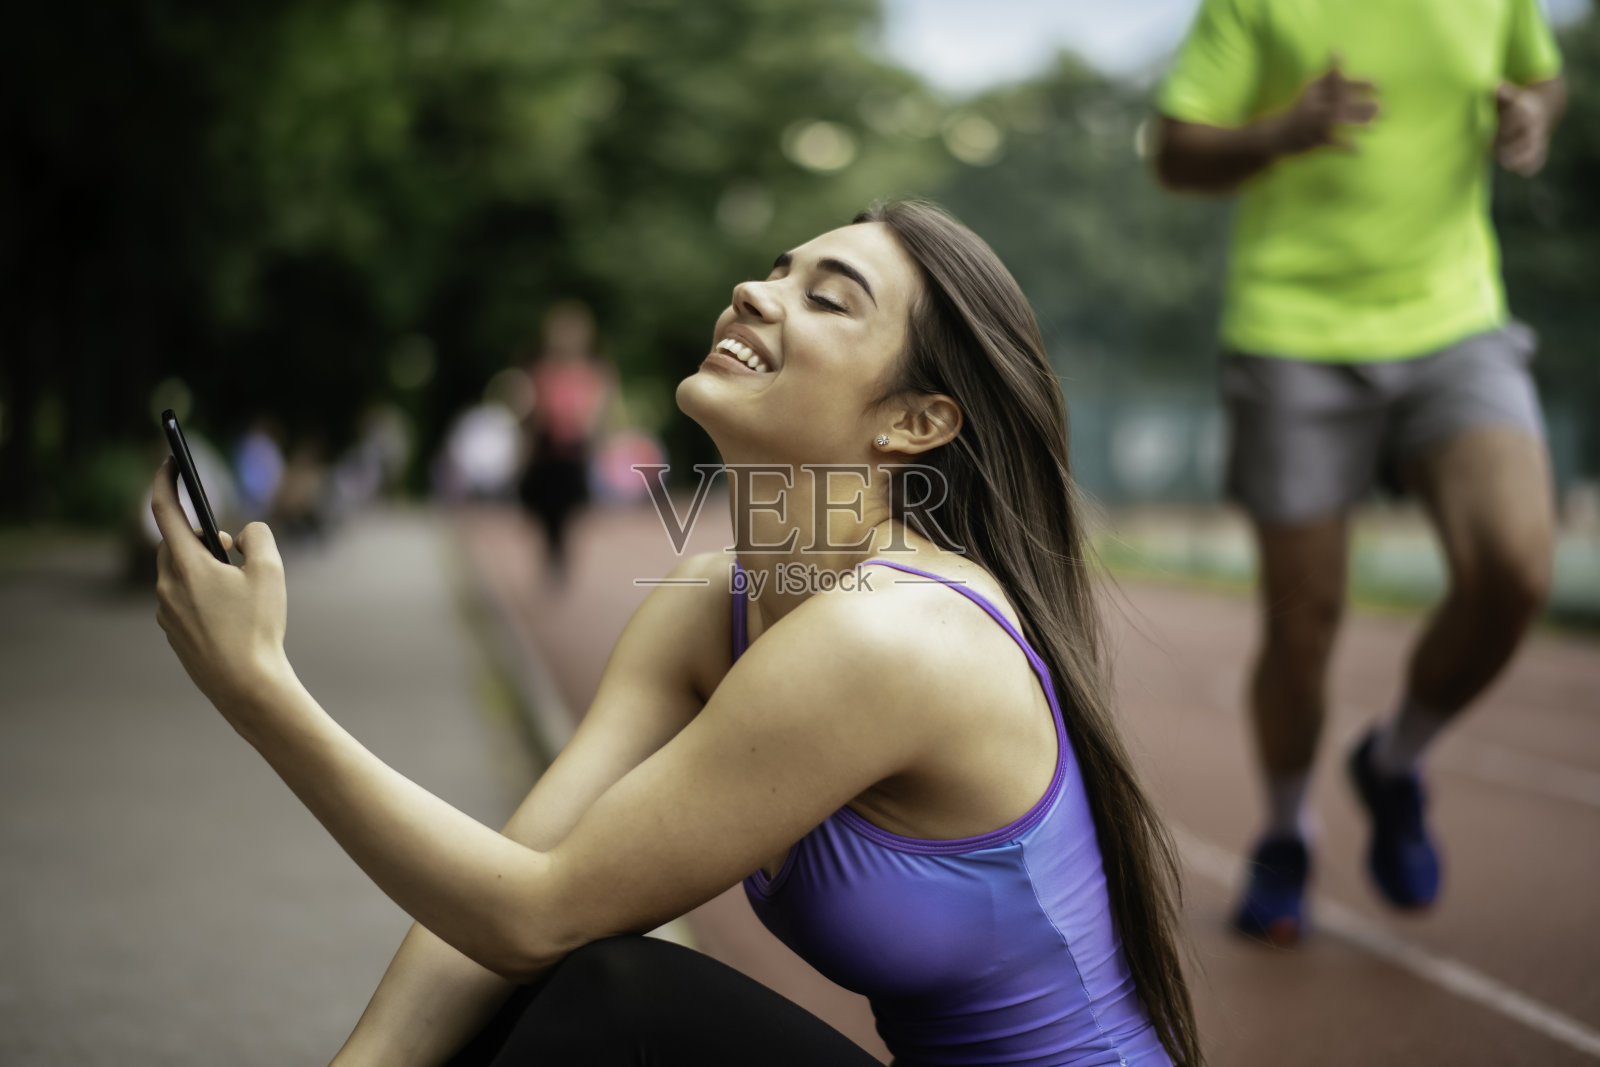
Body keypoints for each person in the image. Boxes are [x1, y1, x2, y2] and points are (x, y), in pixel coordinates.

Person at [150, 200, 1202, 1066]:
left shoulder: (894, 635)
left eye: (826, 297)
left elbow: (535, 915)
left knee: (612, 997)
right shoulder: (711, 603)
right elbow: (521, 875)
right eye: (777, 268)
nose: (756, 289)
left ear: (914, 423)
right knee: (537, 993)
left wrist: (261, 690)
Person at [1152, 0, 1565, 944]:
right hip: (1293, 333)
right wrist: (1281, 133)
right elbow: (1175, 153)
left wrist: (1535, 113)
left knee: (1516, 568)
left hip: (1457, 321)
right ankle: (1288, 831)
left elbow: (1541, 74)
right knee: (1304, 622)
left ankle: (1395, 757)